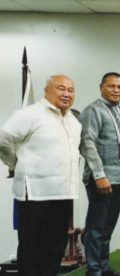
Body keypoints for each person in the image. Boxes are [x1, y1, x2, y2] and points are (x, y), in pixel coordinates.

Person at [0, 75, 81, 276]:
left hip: (63, 193)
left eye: (71, 90)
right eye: (61, 88)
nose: (66, 94)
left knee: (56, 248)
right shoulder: (29, 114)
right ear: (46, 90)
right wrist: (14, 163)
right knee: (32, 249)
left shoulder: (73, 120)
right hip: (34, 194)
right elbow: (3, 139)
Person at [79, 72, 120, 276]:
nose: (116, 90)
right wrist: (99, 175)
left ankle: (103, 268)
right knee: (96, 228)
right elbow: (87, 143)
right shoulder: (93, 110)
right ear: (101, 87)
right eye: (111, 86)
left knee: (107, 227)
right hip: (102, 180)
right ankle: (93, 270)